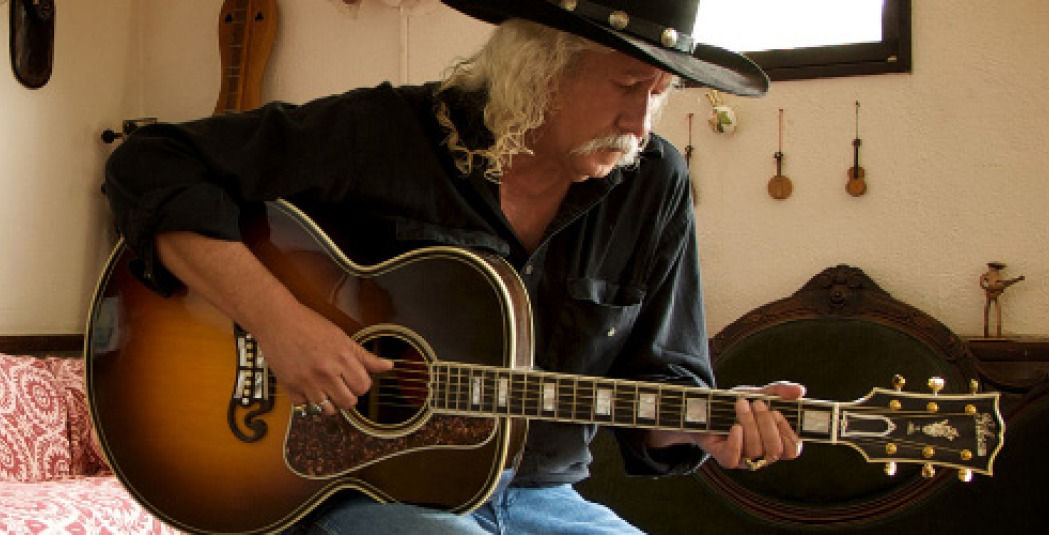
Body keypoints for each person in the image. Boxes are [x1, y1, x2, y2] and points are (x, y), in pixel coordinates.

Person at [104, 0, 806, 533]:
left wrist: (706, 424)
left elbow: (658, 381)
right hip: (353, 491)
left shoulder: (653, 183)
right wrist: (280, 322)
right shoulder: (385, 133)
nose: (641, 123)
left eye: (658, 92)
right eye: (627, 84)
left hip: (542, 498)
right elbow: (150, 163)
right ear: (541, 66)